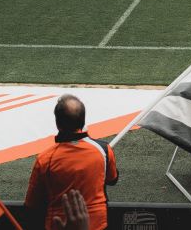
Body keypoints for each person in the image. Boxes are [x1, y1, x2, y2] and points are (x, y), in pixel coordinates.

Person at [22, 94, 119, 230]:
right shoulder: (103, 150)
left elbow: (31, 204)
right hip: (98, 224)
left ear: (57, 123)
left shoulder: (45, 159)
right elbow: (112, 179)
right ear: (83, 120)